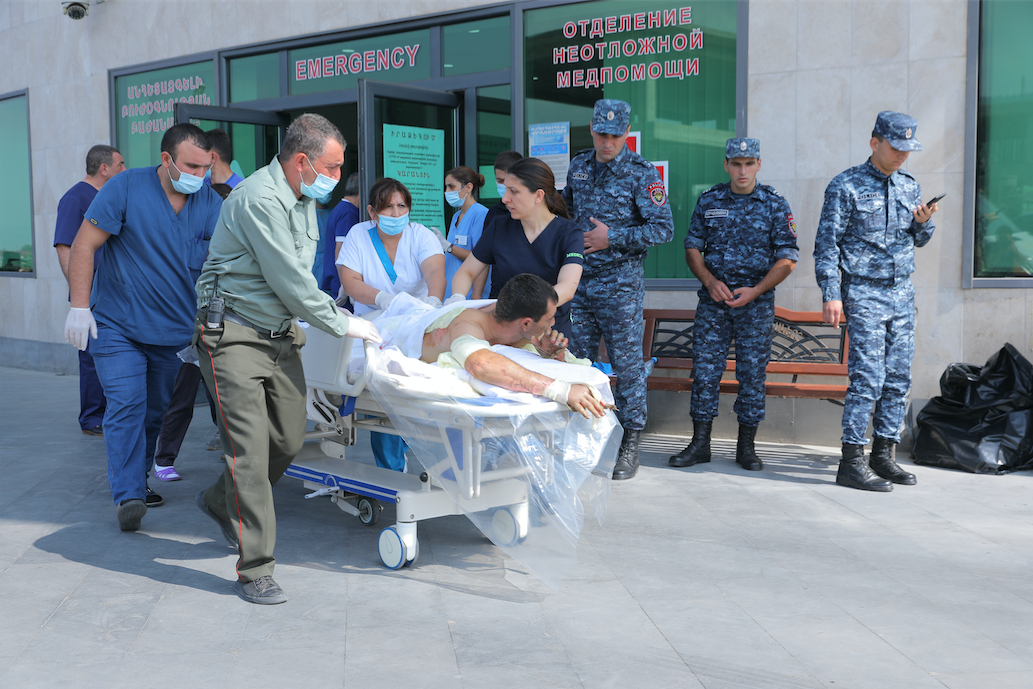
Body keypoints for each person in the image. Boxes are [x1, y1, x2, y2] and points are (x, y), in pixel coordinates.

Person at [193, 113, 381, 605]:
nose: (338, 177)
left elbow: (300, 277)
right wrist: (345, 322)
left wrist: (322, 316)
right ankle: (255, 568)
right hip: (232, 335)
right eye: (333, 167)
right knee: (250, 452)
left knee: (289, 437)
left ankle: (220, 499)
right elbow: (291, 281)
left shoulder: (302, 200)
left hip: (279, 336)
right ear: (302, 161)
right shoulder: (258, 199)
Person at [63, 123, 222, 531]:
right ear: (166, 159)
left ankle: (139, 478)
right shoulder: (126, 188)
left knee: (155, 413)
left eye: (206, 167)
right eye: (191, 166)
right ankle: (129, 495)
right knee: (126, 404)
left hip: (174, 335)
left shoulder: (209, 202)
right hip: (118, 327)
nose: (199, 176)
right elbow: (84, 244)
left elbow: (222, 265)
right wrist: (80, 306)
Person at [814, 111, 938, 492]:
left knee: (899, 376)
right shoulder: (845, 186)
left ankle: (884, 454)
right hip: (864, 291)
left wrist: (923, 223)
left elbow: (920, 239)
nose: (902, 155)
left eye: (907, 149)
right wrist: (831, 294)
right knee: (868, 376)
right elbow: (826, 245)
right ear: (875, 143)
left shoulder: (909, 186)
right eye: (896, 147)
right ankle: (851, 460)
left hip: (902, 291)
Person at [669, 138, 799, 472]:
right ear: (726, 165)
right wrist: (710, 282)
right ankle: (700, 444)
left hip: (755, 307)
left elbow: (788, 257)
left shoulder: (774, 204)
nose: (742, 171)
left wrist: (756, 291)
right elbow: (692, 246)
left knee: (752, 375)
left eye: (749, 163)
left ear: (759, 164)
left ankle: (747, 447)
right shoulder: (709, 199)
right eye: (736, 164)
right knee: (705, 373)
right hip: (714, 304)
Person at [561, 99, 674, 481]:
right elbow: (566, 215)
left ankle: (630, 440)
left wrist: (614, 237)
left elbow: (663, 229)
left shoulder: (642, 174)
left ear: (626, 134)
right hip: (578, 283)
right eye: (601, 134)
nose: (607, 142)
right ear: (592, 130)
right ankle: (578, 439)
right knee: (575, 361)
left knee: (627, 368)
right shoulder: (578, 165)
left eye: (615, 135)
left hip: (620, 287)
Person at [337, 177, 445, 472]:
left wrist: (434, 303)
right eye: (388, 207)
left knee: (415, 398)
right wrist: (383, 298)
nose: (396, 213)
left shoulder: (420, 235)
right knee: (380, 399)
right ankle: (392, 471)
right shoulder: (359, 235)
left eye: (401, 206)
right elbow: (351, 282)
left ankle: (413, 446)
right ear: (372, 212)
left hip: (416, 324)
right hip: (373, 327)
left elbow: (435, 270)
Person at [421, 273, 608, 420]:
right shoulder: (467, 326)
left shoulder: (513, 318)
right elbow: (480, 364)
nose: (552, 323)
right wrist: (560, 390)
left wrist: (550, 354)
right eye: (549, 318)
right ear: (525, 324)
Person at [152, 179, 237, 481]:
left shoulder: (237, 243)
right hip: (191, 331)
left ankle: (234, 456)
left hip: (227, 330)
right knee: (182, 398)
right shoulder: (188, 239)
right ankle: (163, 459)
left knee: (225, 399)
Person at [451, 157, 584, 340]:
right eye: (505, 189)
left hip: (549, 333)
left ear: (538, 196)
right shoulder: (500, 226)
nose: (505, 199)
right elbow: (466, 272)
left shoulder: (569, 233)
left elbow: (568, 287)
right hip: (503, 332)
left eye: (513, 191)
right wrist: (457, 298)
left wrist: (526, 309)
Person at [53, 144, 125, 436]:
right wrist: (79, 295)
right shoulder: (75, 198)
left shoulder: (107, 196)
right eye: (120, 165)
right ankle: (93, 418)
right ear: (104, 168)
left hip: (114, 292)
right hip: (91, 295)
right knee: (92, 357)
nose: (125, 170)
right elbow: (65, 247)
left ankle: (109, 413)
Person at [439, 166, 489, 299]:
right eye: (446, 187)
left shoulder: (481, 214)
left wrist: (448, 247)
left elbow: (480, 258)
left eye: (451, 187)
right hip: (451, 292)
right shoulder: (456, 216)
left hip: (469, 294)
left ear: (468, 187)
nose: (447, 191)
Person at [325, 171, 360, 299]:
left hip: (335, 281)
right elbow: (341, 250)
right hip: (340, 283)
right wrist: (346, 286)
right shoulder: (349, 213)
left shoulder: (339, 209)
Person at [482, 150, 523, 230]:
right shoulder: (493, 213)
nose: (505, 185)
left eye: (509, 181)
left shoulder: (530, 211)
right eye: (500, 181)